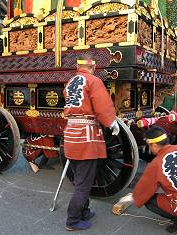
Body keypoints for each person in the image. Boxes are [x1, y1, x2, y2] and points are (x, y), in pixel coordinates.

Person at [63, 54, 120, 231]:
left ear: (78, 67)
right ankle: (72, 220)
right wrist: (111, 122)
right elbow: (102, 106)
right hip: (85, 137)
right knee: (83, 182)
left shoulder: (70, 82)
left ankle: (84, 210)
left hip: (71, 134)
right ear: (93, 67)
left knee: (81, 178)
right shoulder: (93, 81)